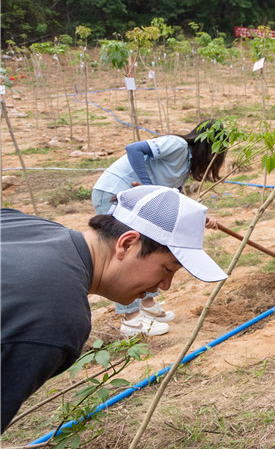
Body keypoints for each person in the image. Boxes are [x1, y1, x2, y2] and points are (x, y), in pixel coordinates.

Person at [1, 185, 227, 432]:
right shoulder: (56, 320)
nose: (165, 285)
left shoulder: (23, 224)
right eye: (167, 269)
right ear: (127, 244)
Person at [92, 120, 227, 337]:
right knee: (129, 254)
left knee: (154, 247)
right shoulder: (177, 145)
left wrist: (201, 216)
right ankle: (131, 320)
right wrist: (147, 185)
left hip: (140, 200)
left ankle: (148, 304)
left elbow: (174, 200)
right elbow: (134, 149)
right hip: (116, 191)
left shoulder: (185, 165)